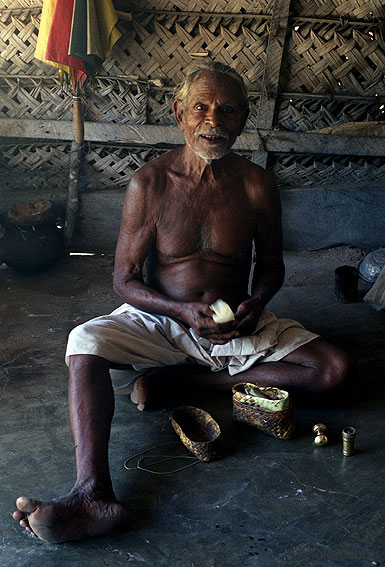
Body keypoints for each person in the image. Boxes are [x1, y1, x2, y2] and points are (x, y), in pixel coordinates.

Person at [13, 61, 351, 543]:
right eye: (201, 108)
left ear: (243, 118)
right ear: (180, 113)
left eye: (227, 110)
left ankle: (196, 382)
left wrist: (256, 301)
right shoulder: (149, 184)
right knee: (83, 341)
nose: (213, 121)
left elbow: (271, 264)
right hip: (161, 321)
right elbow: (124, 280)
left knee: (335, 370)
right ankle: (92, 493)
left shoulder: (256, 184)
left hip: (234, 325)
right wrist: (178, 311)